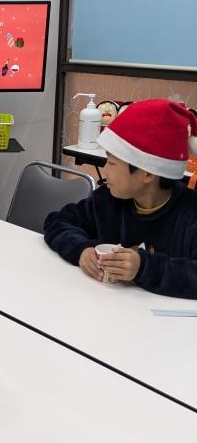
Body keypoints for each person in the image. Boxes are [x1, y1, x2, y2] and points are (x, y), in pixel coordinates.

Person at [44, 99, 197, 299]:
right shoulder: (107, 199)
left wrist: (143, 268)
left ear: (148, 174)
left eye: (113, 163)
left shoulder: (190, 214)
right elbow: (57, 221)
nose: (105, 170)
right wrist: (81, 250)